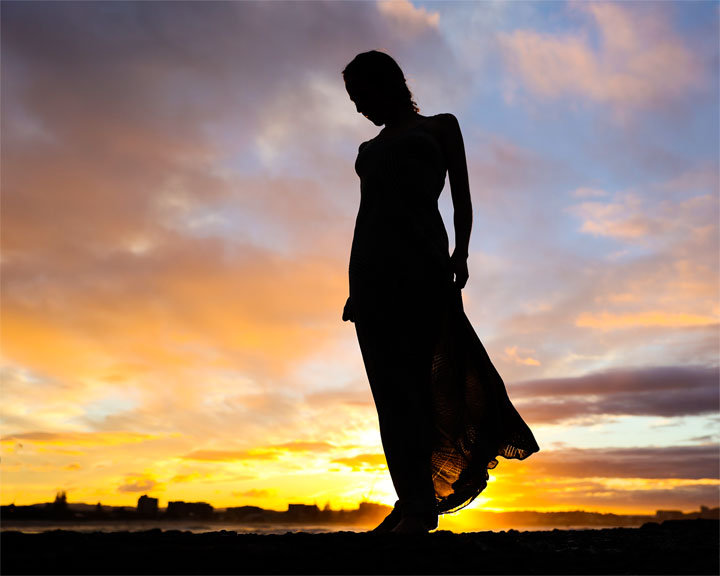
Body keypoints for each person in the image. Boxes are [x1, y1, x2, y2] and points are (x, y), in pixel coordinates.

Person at [341, 50, 539, 534]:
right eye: (352, 100)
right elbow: (367, 218)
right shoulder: (367, 151)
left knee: (427, 385)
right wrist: (355, 286)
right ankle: (413, 500)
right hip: (371, 274)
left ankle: (421, 499)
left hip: (424, 268)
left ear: (390, 84)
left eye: (363, 95)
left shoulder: (440, 127)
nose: (359, 107)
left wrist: (462, 252)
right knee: (390, 394)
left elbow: (462, 197)